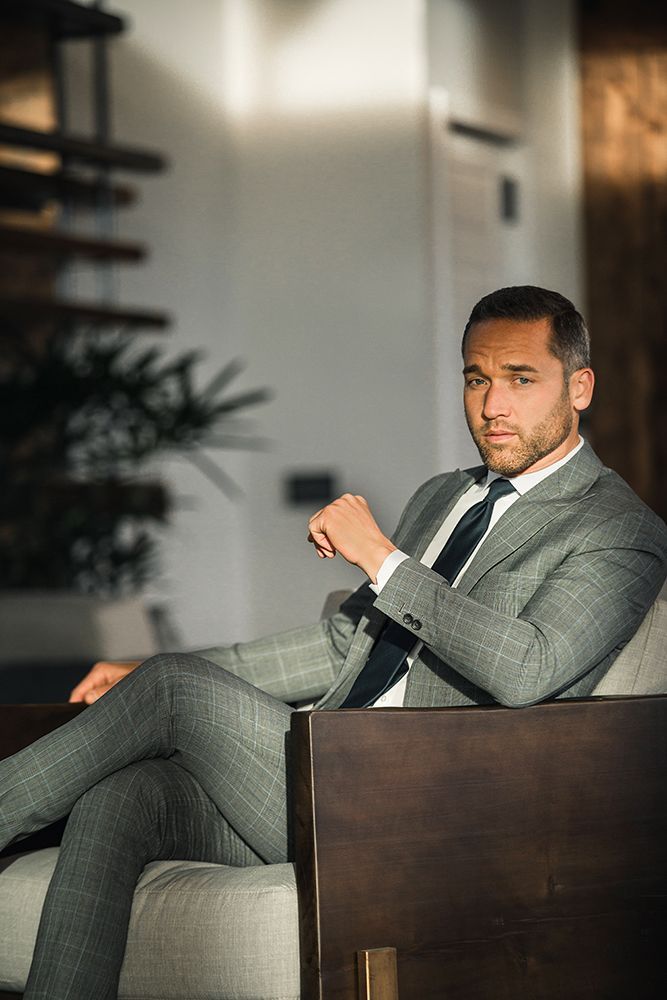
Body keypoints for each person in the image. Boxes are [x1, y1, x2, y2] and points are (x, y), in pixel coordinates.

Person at [1, 285, 665, 1000]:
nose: (492, 405)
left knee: (171, 686)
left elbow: (529, 668)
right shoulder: (443, 496)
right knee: (121, 797)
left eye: (519, 379)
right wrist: (138, 674)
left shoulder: (616, 529)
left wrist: (383, 559)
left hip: (412, 809)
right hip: (321, 776)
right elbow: (340, 644)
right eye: (476, 378)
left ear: (579, 386)